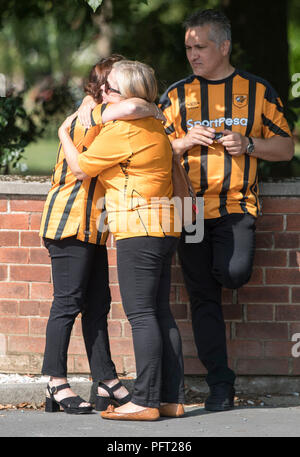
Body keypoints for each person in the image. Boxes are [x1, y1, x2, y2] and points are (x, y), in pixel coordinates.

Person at [159, 9, 294, 411]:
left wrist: (248, 144)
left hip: (236, 205)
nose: (193, 55)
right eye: (188, 48)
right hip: (192, 210)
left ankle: (219, 269)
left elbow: (286, 148)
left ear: (224, 46)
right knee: (203, 298)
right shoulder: (176, 96)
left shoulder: (257, 91)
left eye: (200, 47)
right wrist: (182, 143)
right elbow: (151, 149)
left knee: (233, 274)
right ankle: (221, 387)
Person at [58, 59, 185, 421]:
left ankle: (144, 401)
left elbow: (81, 168)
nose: (103, 93)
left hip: (137, 228)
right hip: (165, 225)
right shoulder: (154, 124)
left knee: (142, 315)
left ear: (127, 94)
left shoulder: (123, 131)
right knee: (161, 313)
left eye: (110, 89)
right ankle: (169, 398)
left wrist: (64, 135)